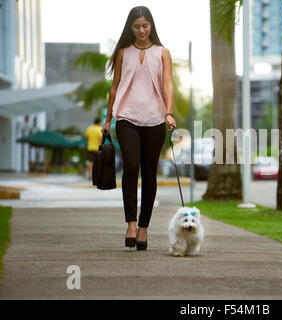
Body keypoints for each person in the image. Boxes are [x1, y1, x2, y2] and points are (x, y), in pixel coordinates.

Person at [102, 6, 176, 251]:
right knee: (131, 167)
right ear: (130, 28)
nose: (142, 30)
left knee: (150, 173)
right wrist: (108, 118)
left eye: (145, 25)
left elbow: (167, 84)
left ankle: (144, 228)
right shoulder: (123, 52)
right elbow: (114, 87)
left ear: (151, 25)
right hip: (127, 119)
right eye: (137, 26)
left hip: (155, 120)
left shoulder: (163, 53)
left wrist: (168, 112)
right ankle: (131, 224)